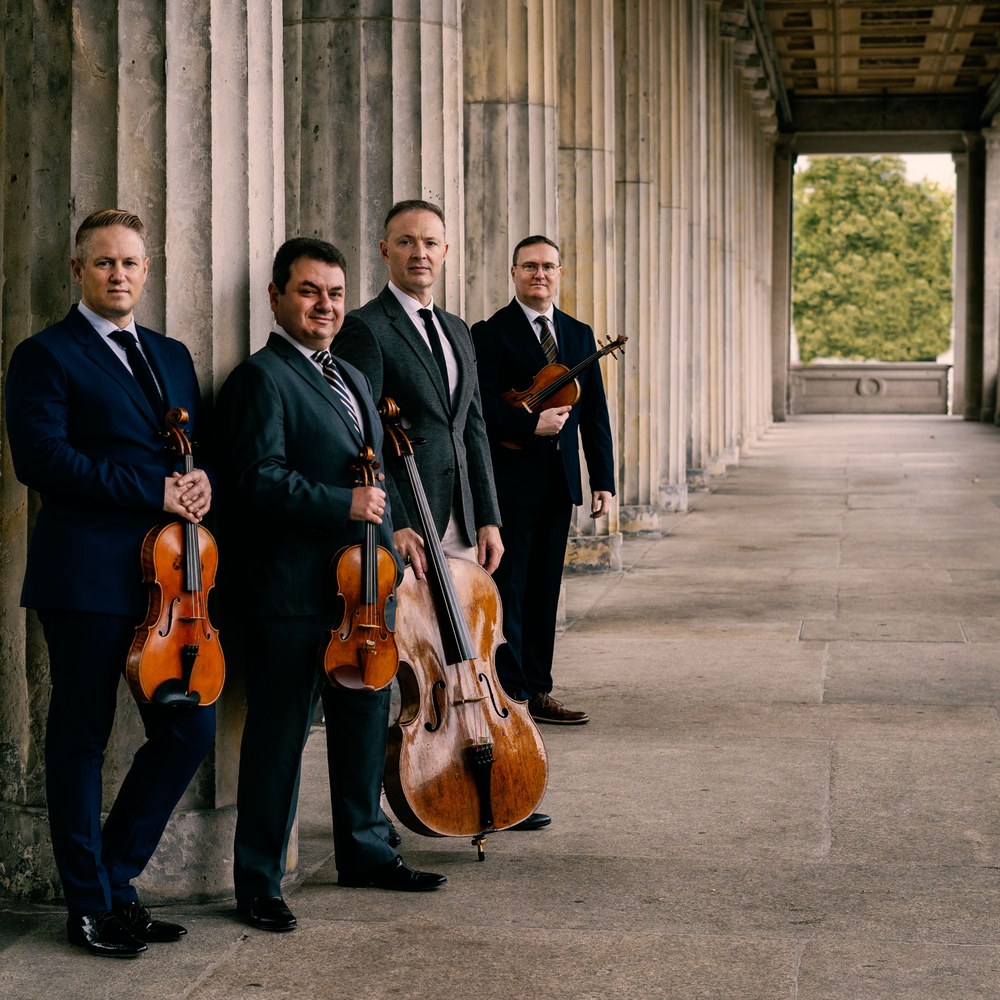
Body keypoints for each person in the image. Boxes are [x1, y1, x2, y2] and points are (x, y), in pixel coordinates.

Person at [215, 237, 446, 935]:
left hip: (362, 594)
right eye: (310, 291)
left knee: (362, 721)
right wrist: (336, 505)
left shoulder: (347, 374)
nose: (325, 305)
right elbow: (255, 479)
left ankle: (366, 850)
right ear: (278, 298)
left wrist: (399, 527)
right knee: (279, 738)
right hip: (292, 596)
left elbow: (371, 474)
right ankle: (258, 882)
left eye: (337, 293)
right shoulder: (261, 378)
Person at [4, 209, 216, 958]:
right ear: (77, 272)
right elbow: (44, 460)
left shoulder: (171, 353)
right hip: (86, 577)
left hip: (170, 585)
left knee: (189, 729)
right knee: (81, 739)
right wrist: (154, 491)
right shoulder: (45, 354)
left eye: (129, 262)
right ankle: (87, 906)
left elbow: (197, 450)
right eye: (102, 264)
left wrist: (198, 487)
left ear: (147, 270)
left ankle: (116, 880)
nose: (117, 274)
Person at [331, 202, 550, 833]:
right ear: (384, 251)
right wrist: (392, 519)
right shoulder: (365, 329)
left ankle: (487, 768)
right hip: (407, 522)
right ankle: (389, 795)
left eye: (430, 243)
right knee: (410, 660)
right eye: (406, 242)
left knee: (469, 652)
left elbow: (473, 426)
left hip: (458, 518)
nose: (419, 253)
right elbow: (361, 432)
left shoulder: (457, 329)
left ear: (447, 252)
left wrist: (489, 515)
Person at [472, 235, 616, 726]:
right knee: (509, 588)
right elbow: (482, 406)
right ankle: (510, 691)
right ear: (513, 273)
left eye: (548, 266)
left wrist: (604, 479)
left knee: (545, 591)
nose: (540, 274)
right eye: (529, 266)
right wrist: (527, 424)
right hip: (510, 484)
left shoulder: (578, 333)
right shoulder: (489, 332)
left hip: (560, 484)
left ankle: (539, 689)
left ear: (559, 273)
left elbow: (594, 411)